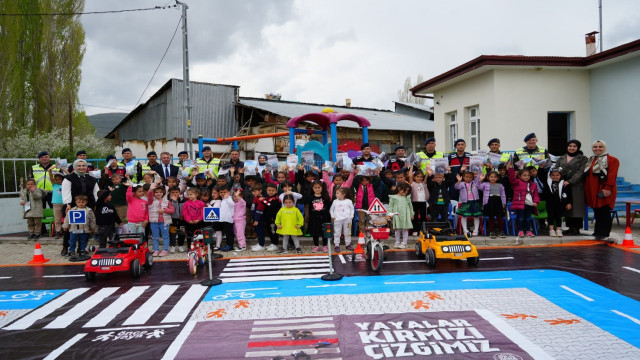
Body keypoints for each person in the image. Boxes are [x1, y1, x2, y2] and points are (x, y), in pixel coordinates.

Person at [584, 140, 619, 242]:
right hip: (592, 189)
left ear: (605, 147)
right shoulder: (591, 159)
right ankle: (598, 232)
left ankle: (604, 233)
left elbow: (612, 176)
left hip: (604, 189)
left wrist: (607, 188)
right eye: (595, 147)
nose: (597, 149)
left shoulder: (612, 160)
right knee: (597, 211)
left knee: (604, 211)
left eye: (600, 147)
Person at [555, 140, 589, 236]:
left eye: (574, 146)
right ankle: (570, 227)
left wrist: (570, 181)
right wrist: (559, 178)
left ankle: (576, 228)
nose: (572, 148)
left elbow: (581, 172)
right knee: (567, 206)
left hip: (576, 185)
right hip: (563, 185)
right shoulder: (562, 158)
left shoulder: (582, 158)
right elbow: (557, 169)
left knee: (576, 207)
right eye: (570, 146)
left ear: (578, 147)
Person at [507, 162, 540, 238]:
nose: (527, 177)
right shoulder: (517, 182)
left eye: (528, 175)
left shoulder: (533, 185)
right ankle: (520, 231)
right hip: (520, 204)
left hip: (529, 205)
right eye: (524, 175)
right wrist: (511, 169)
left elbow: (536, 195)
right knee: (520, 218)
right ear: (519, 176)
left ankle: (528, 231)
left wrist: (536, 202)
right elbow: (512, 178)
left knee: (528, 218)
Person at [477, 171, 507, 238]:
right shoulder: (485, 184)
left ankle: (501, 231)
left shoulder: (500, 185)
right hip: (489, 201)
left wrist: (504, 203)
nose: (493, 178)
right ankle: (491, 231)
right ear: (488, 177)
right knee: (491, 217)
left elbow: (503, 195)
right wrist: (480, 180)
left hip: (498, 201)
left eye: (495, 177)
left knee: (500, 217)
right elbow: (478, 187)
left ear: (497, 178)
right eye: (491, 177)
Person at [148, 183, 175, 256]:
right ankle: (156, 250)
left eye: (160, 192)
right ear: (154, 193)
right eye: (156, 192)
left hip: (164, 222)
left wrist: (165, 210)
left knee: (165, 236)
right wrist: (151, 189)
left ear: (163, 193)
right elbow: (149, 195)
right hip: (154, 222)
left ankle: (165, 250)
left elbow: (172, 210)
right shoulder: (151, 201)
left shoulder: (167, 201)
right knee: (155, 237)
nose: (158, 194)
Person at [545, 168, 572, 237]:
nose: (555, 177)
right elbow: (541, 175)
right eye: (553, 175)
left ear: (561, 176)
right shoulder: (548, 182)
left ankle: (558, 229)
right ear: (550, 176)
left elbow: (569, 194)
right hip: (550, 203)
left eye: (557, 175)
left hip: (560, 203)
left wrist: (569, 203)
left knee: (558, 216)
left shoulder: (564, 183)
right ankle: (551, 230)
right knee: (550, 216)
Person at [454, 171, 483, 236]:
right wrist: (458, 181)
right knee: (464, 216)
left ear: (473, 178)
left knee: (476, 216)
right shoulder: (461, 184)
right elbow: (456, 187)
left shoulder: (475, 183)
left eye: (470, 177)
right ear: (463, 177)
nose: (468, 178)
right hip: (465, 202)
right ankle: (465, 230)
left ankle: (475, 230)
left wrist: (480, 169)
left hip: (474, 201)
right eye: (467, 177)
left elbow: (479, 177)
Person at [307, 180, 331, 253]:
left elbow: (328, 207)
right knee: (315, 232)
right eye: (315, 188)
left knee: (324, 232)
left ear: (322, 188)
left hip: (324, 217)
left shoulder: (325, 197)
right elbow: (310, 207)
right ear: (312, 188)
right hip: (314, 218)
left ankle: (324, 245)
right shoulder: (310, 197)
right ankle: (316, 245)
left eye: (319, 187)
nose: (317, 189)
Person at [388, 182, 414, 248]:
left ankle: (404, 243)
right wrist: (390, 213)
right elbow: (390, 206)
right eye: (404, 190)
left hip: (405, 215)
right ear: (399, 189)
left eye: (407, 191)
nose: (405, 192)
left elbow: (410, 206)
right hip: (397, 215)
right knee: (397, 229)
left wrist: (411, 214)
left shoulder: (407, 197)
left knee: (405, 229)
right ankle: (397, 241)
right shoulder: (394, 197)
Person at [330, 187, 354, 252]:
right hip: (337, 219)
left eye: (337, 193)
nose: (336, 194)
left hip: (347, 219)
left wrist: (351, 216)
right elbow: (331, 209)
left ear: (343, 194)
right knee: (337, 232)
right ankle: (337, 245)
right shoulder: (335, 201)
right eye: (336, 193)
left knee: (348, 232)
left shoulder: (349, 201)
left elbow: (352, 209)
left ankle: (348, 244)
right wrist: (332, 216)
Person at [407, 170, 429, 236]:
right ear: (414, 177)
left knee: (423, 217)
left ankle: (422, 230)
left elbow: (426, 176)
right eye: (418, 177)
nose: (420, 178)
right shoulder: (412, 184)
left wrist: (427, 169)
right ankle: (415, 230)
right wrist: (411, 168)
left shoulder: (423, 184)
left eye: (421, 177)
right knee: (415, 217)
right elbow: (410, 176)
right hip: (414, 202)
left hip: (423, 202)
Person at [48, 168, 67, 238]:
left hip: (65, 203)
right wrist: (50, 170)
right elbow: (50, 177)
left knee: (66, 218)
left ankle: (66, 230)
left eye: (60, 179)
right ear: (55, 180)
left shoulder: (66, 184)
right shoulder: (54, 185)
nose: (59, 181)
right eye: (57, 180)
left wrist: (64, 169)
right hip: (56, 204)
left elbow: (70, 176)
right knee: (57, 219)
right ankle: (58, 231)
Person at [262, 183, 282, 251]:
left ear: (276, 191)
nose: (271, 192)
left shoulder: (276, 198)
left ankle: (275, 244)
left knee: (273, 231)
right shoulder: (267, 197)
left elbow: (270, 205)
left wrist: (263, 201)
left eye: (273, 190)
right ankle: (272, 243)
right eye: (269, 190)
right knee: (269, 231)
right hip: (268, 218)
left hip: (273, 218)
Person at [218, 187, 237, 252]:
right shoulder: (223, 199)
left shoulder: (229, 199)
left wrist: (227, 198)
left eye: (225, 192)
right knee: (226, 233)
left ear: (229, 193)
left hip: (228, 219)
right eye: (221, 192)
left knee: (229, 233)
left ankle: (230, 245)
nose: (223, 194)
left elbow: (232, 204)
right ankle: (227, 244)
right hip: (223, 219)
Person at [250, 183, 268, 251]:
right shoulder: (256, 198)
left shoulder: (261, 199)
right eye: (253, 191)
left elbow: (259, 210)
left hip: (259, 219)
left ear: (260, 190)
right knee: (258, 231)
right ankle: (260, 243)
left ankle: (262, 245)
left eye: (255, 191)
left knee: (260, 232)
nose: (254, 193)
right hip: (255, 218)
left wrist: (256, 220)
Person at [168, 186, 186, 253]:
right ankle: (172, 246)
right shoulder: (169, 201)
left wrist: (183, 215)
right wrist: (174, 201)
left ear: (180, 193)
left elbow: (185, 209)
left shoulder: (183, 200)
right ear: (169, 193)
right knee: (172, 233)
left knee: (182, 233)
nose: (175, 194)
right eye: (173, 192)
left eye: (177, 192)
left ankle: (180, 245)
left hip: (182, 219)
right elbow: (173, 210)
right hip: (173, 219)